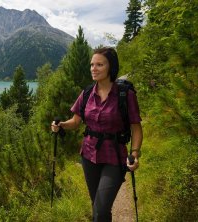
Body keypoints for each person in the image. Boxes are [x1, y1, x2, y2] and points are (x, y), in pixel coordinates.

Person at [51, 47, 143, 222]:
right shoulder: (86, 94)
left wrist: (135, 154)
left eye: (99, 64)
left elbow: (136, 128)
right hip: (89, 155)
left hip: (114, 157)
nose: (94, 68)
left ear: (111, 67)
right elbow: (75, 121)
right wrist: (61, 125)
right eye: (92, 64)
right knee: (98, 207)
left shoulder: (125, 95)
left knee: (100, 210)